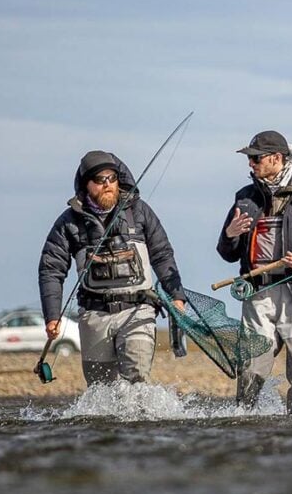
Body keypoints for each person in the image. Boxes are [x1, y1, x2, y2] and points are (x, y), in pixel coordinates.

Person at [217, 130, 292, 413]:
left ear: (276, 158)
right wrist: (230, 234)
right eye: (250, 159)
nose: (251, 164)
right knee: (251, 367)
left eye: (256, 158)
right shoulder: (245, 198)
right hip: (258, 292)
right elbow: (226, 252)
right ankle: (244, 418)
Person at [39, 151, 186, 386]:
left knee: (136, 377)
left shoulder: (140, 212)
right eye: (100, 180)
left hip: (139, 310)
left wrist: (176, 295)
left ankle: (139, 421)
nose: (107, 185)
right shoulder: (68, 222)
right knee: (101, 389)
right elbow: (51, 269)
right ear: (86, 185)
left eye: (112, 178)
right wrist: (52, 315)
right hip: (94, 315)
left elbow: (162, 255)